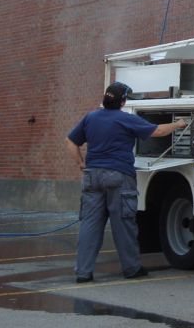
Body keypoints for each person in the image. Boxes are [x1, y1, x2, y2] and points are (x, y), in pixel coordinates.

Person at [65, 81, 187, 283]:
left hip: (92, 177)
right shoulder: (125, 119)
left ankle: (83, 273)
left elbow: (70, 141)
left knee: (89, 225)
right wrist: (178, 124)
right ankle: (131, 268)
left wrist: (80, 163)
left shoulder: (90, 117)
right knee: (123, 225)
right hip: (118, 177)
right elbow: (157, 132)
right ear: (123, 101)